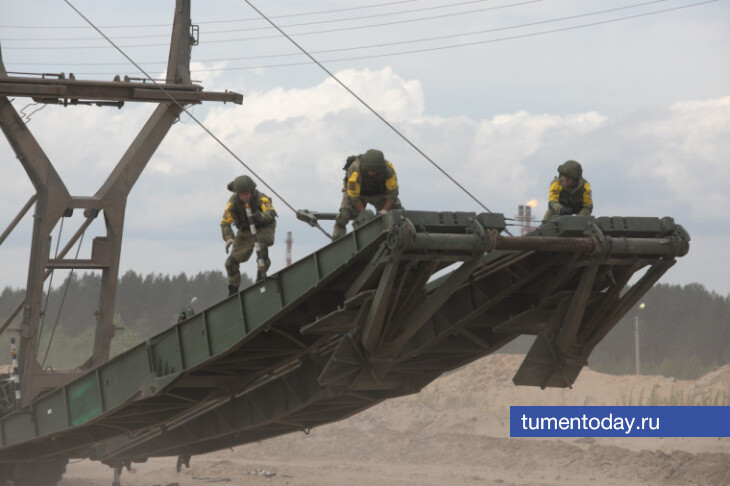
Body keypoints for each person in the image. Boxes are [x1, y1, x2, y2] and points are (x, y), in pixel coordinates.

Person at [221, 175, 277, 295]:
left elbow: (270, 211)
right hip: (245, 232)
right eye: (241, 195)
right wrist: (229, 238)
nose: (245, 197)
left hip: (263, 227)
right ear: (237, 194)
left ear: (252, 191)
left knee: (261, 248)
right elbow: (225, 223)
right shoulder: (232, 204)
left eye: (247, 194)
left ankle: (261, 278)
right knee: (230, 263)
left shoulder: (261, 198)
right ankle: (233, 291)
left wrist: (262, 216)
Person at [332, 149, 403, 240]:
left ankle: (397, 237)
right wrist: (364, 214)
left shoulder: (388, 169)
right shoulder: (355, 169)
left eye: (374, 170)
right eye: (369, 170)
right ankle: (337, 239)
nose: (371, 172)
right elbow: (353, 196)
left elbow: (393, 192)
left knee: (397, 213)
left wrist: (385, 210)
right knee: (343, 216)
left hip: (379, 193)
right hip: (357, 193)